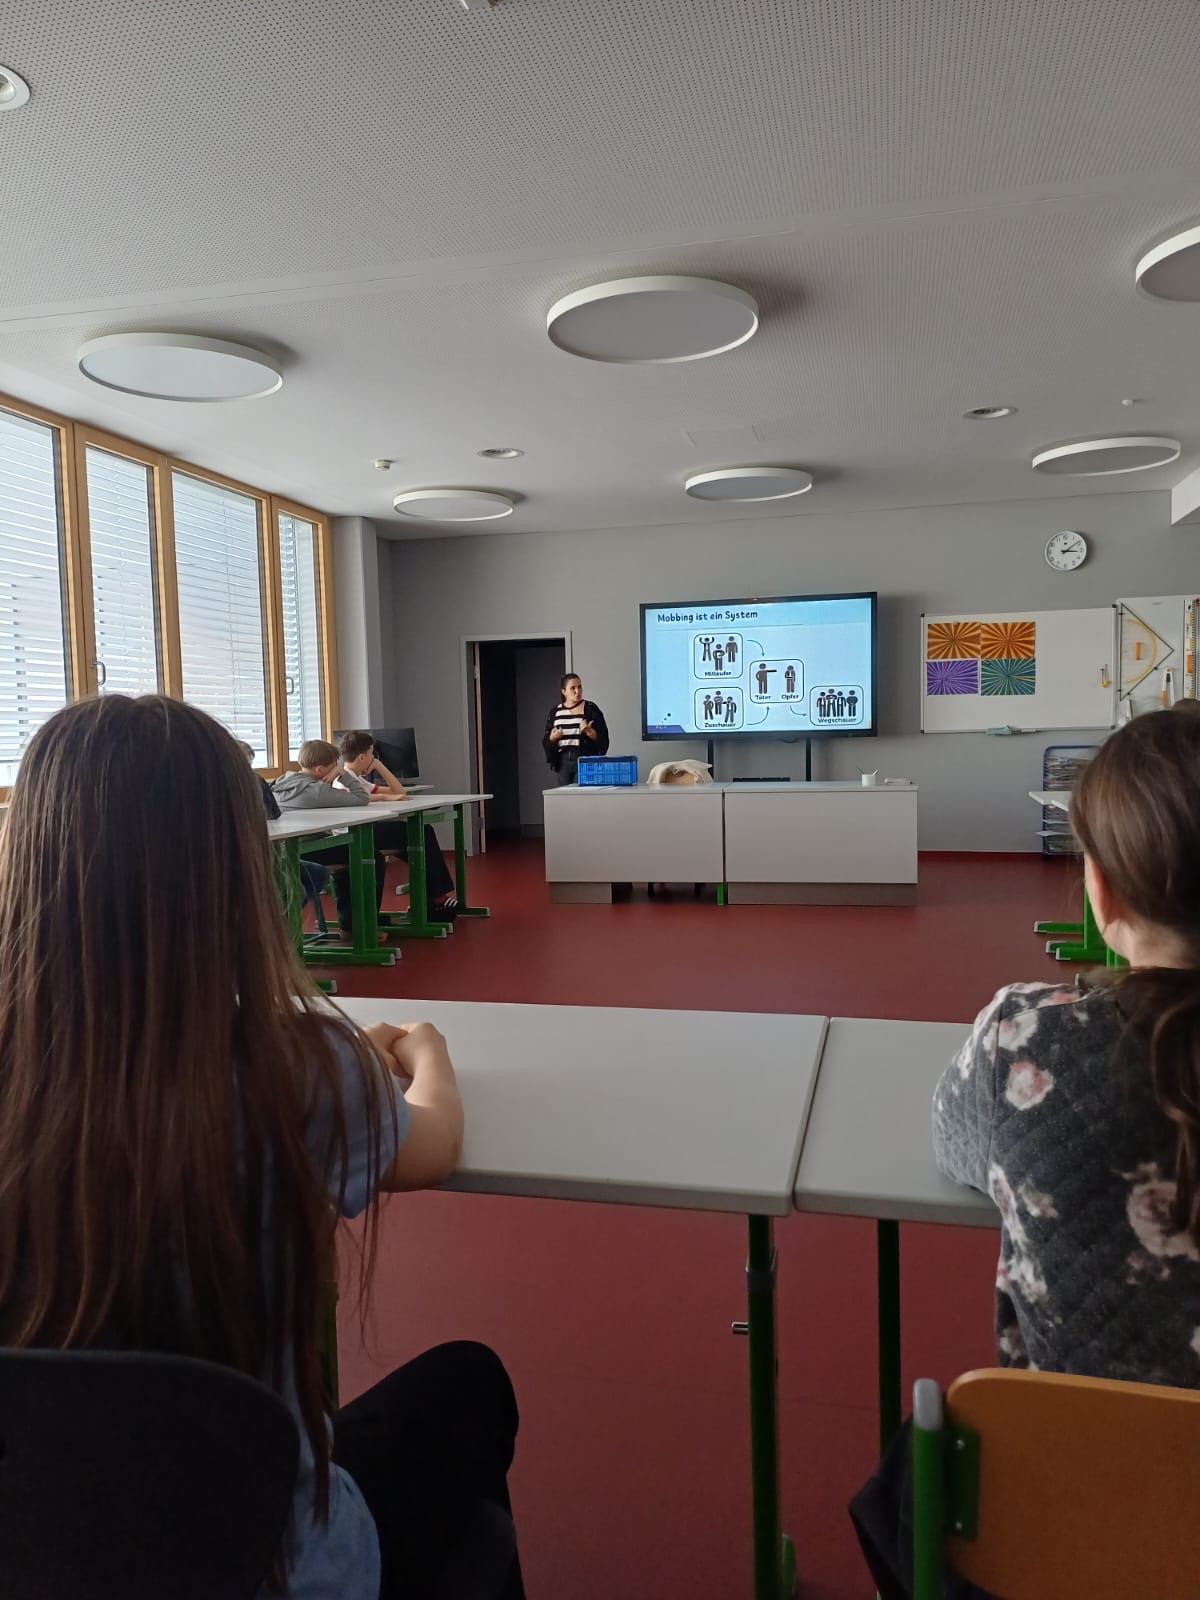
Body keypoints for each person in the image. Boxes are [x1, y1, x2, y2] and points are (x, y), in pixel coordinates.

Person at [0, 695, 522, 1600]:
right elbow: (430, 1144)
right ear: (234, 870)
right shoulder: (300, 1072)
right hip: (272, 1567)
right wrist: (423, 1047)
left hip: (38, 1555)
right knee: (469, 1387)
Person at [852, 703, 1200, 1598]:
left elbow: (953, 1141)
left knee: (900, 1480)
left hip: (1054, 1515)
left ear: (1105, 892)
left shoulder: (1028, 1039)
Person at [273, 739, 390, 939]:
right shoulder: (316, 791)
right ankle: (360, 927)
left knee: (348, 855)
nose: (336, 769)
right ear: (320, 770)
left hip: (285, 849)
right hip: (308, 849)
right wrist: (343, 775)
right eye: (332, 767)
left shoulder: (278, 785)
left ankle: (351, 925)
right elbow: (362, 798)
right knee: (367, 855)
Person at [336, 731, 458, 921]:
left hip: (369, 828)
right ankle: (436, 898)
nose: (373, 757)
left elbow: (399, 791)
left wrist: (379, 766)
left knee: (420, 840)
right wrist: (383, 796)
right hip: (357, 832)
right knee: (420, 833)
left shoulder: (358, 779)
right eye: (371, 754)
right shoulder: (342, 779)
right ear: (362, 757)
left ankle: (430, 900)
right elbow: (354, 799)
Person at [240, 740, 331, 913]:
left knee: (318, 874)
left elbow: (274, 814)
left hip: (267, 853)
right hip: (248, 859)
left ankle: (280, 927)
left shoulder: (255, 781)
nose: (248, 769)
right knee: (295, 890)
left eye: (249, 764)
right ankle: (272, 930)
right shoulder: (219, 790)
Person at [543, 673, 609, 787]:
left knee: (582, 796)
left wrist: (590, 732)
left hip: (584, 759)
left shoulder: (590, 708)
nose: (577, 691)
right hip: (562, 761)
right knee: (565, 797)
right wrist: (552, 738)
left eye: (579, 687)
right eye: (573, 688)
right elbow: (546, 739)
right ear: (564, 691)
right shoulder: (555, 712)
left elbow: (603, 738)